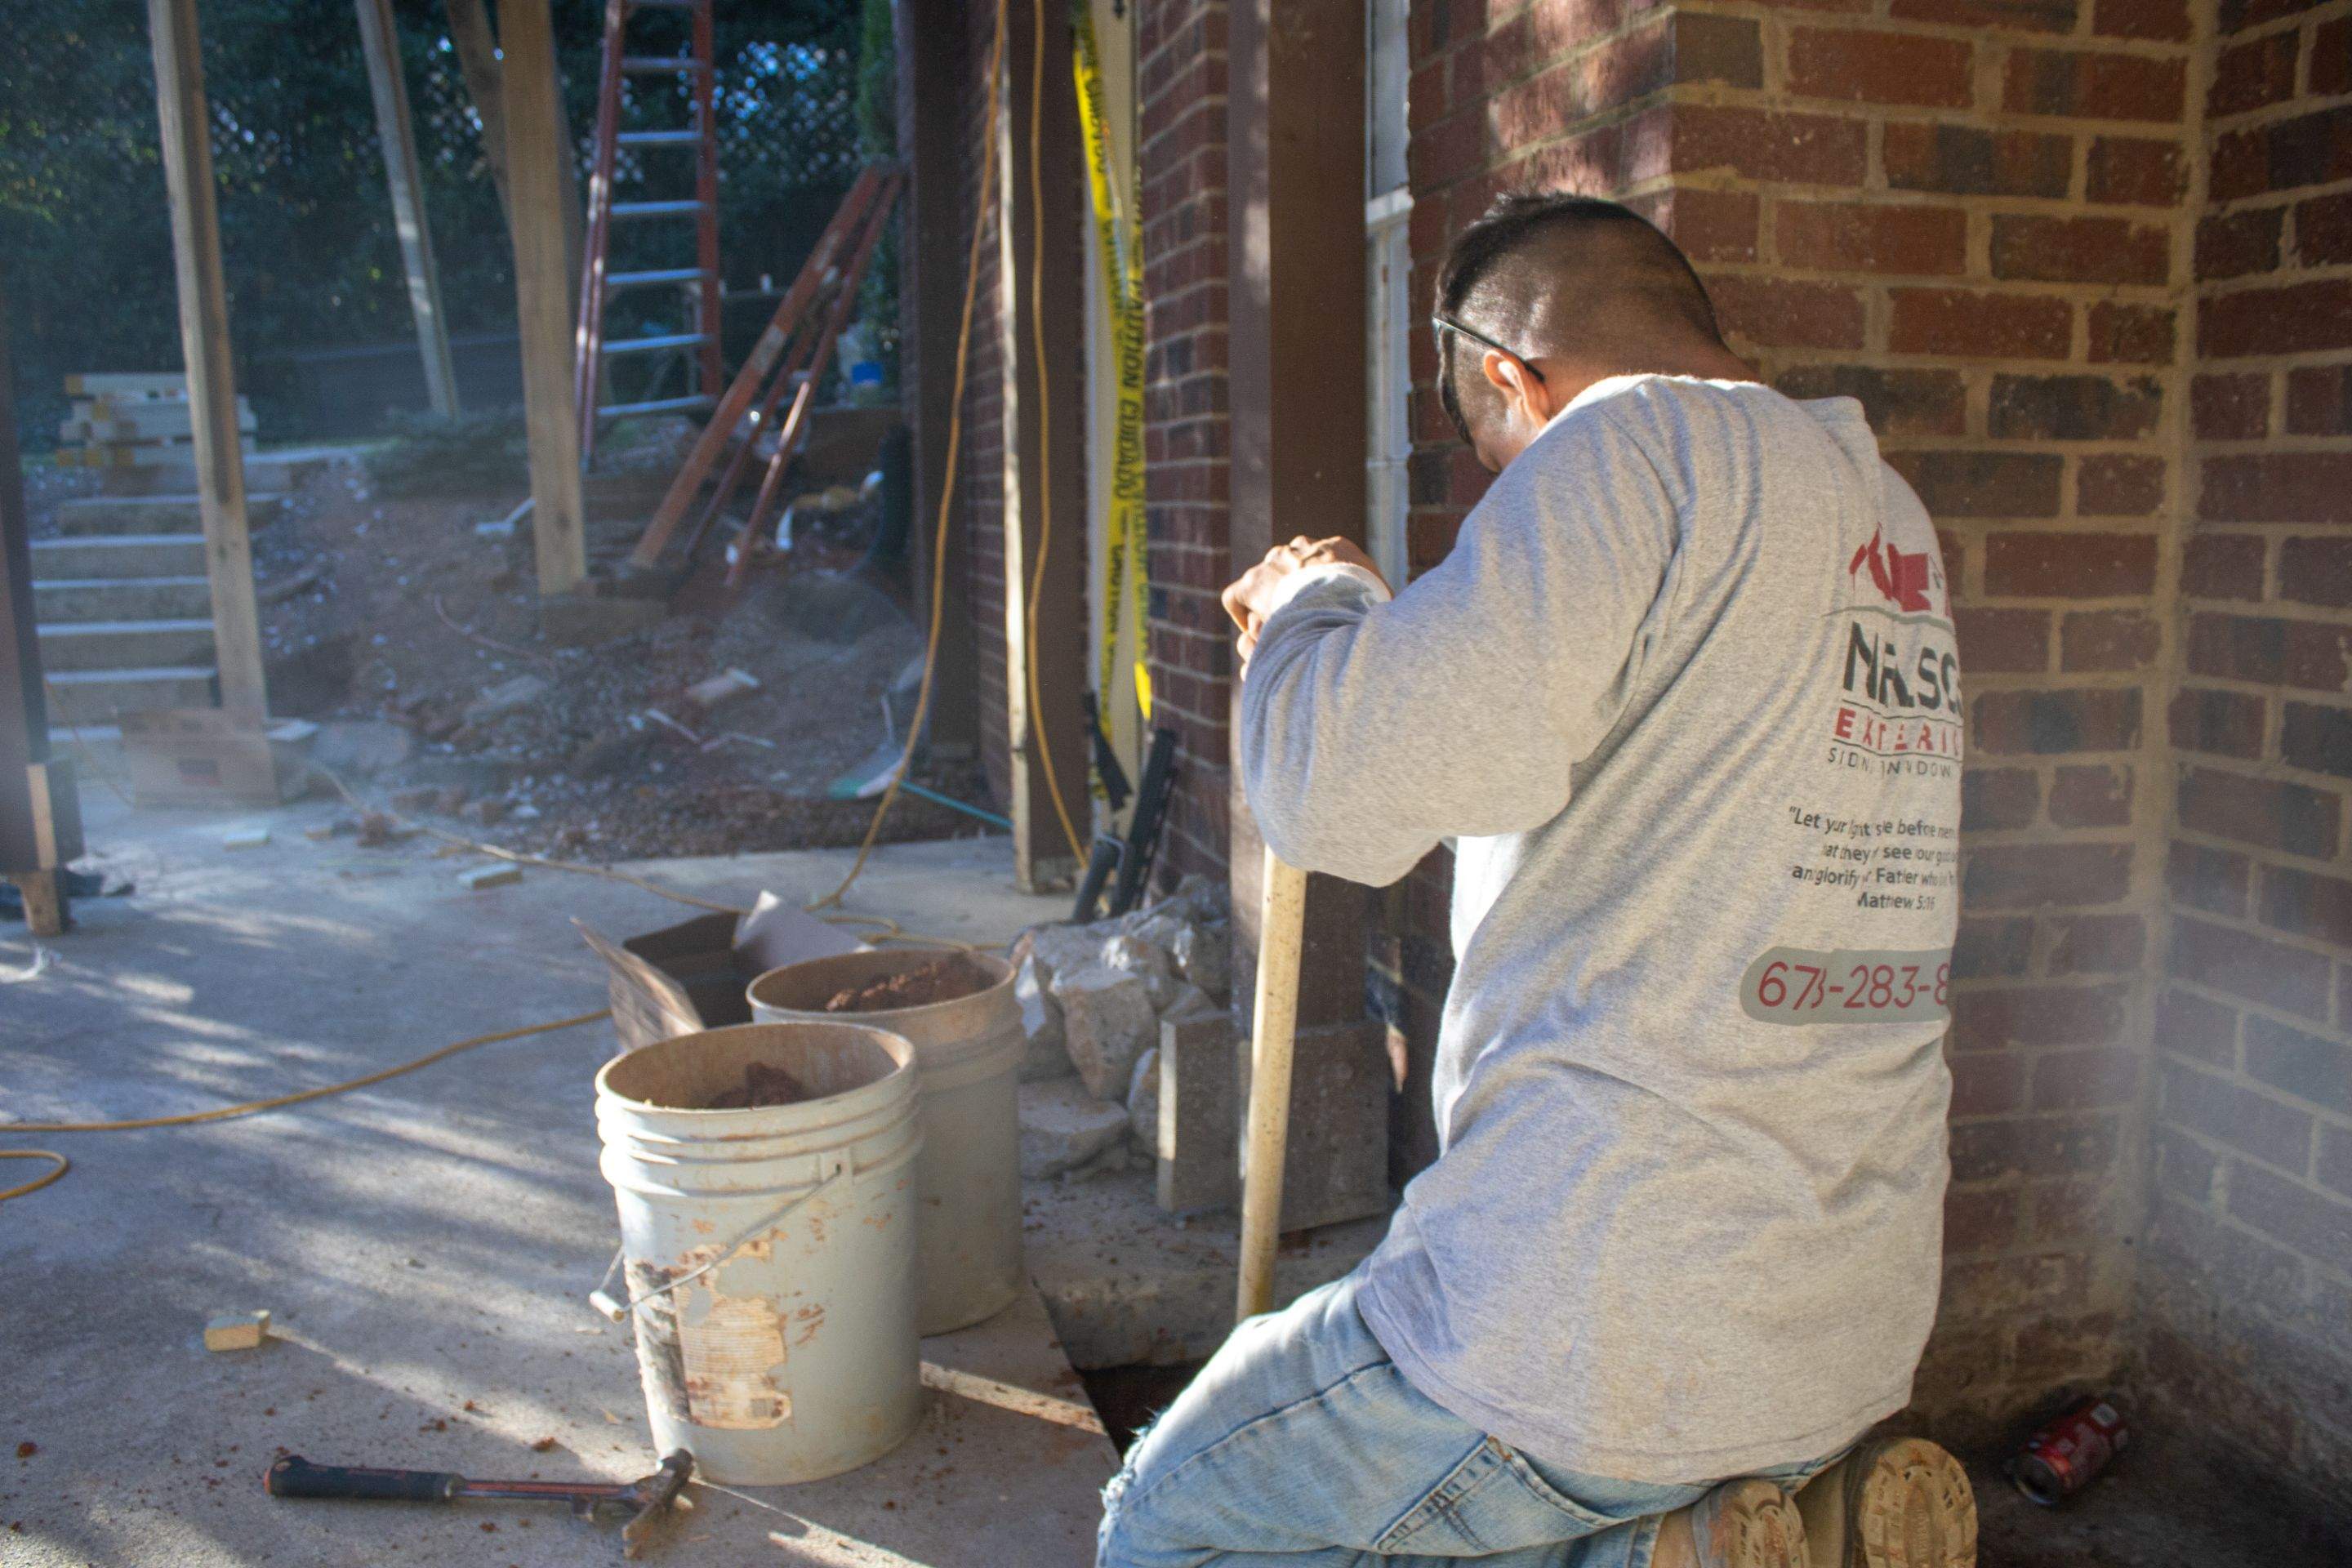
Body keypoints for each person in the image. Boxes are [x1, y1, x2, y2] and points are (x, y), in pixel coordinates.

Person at [1095, 192, 1976, 1568]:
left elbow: (1340, 791)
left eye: (1491, 446)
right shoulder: (1879, 514)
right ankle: (1680, 1547)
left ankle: (1631, 1544)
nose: (1508, 483)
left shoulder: (1622, 444)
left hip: (1597, 1328)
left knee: (1172, 1514)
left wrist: (1314, 616)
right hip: (1841, 1330)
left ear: (1513, 376)